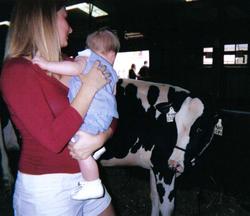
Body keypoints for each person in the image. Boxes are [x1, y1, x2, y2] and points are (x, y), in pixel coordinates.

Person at [0, 0, 117, 215]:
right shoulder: (16, 71)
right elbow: (53, 140)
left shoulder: (70, 63)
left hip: (87, 177)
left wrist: (102, 138)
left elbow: (109, 109)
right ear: (44, 20)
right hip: (48, 189)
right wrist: (89, 87)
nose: (71, 28)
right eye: (65, 17)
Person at [32, 28, 120, 201]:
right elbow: (113, 95)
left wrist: (45, 64)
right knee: (84, 146)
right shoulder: (112, 72)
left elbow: (72, 67)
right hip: (106, 117)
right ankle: (94, 150)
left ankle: (92, 183)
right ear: (111, 54)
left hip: (90, 116)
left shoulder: (86, 58)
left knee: (80, 150)